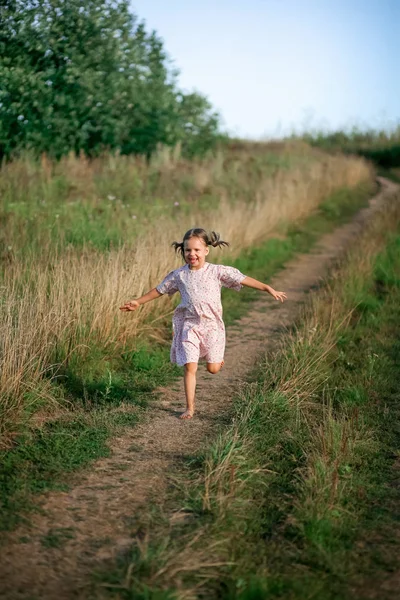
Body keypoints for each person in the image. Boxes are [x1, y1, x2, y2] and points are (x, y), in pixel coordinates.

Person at [120, 228, 287, 420]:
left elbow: (242, 279)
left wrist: (267, 288)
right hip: (189, 326)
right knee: (190, 367)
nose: (192, 254)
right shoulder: (179, 275)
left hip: (212, 327)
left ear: (206, 250)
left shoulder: (217, 271)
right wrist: (138, 302)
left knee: (212, 369)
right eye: (188, 250)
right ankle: (190, 407)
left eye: (197, 250)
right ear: (183, 251)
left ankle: (216, 360)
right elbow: (159, 290)